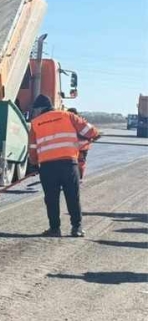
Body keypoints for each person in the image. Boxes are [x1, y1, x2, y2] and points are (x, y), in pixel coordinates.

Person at [28, 95, 101, 237]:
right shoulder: (68, 116)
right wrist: (96, 135)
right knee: (73, 196)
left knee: (51, 198)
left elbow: (32, 148)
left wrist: (34, 163)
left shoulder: (35, 123)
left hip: (48, 167)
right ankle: (77, 228)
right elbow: (89, 131)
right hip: (69, 164)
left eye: (35, 110)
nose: (35, 113)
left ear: (40, 109)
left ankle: (55, 229)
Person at [67, 108, 91, 179]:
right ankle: (79, 177)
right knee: (80, 161)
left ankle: (78, 177)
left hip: (78, 146)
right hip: (82, 145)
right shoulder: (82, 121)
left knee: (78, 161)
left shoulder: (73, 122)